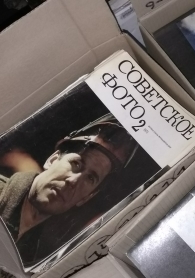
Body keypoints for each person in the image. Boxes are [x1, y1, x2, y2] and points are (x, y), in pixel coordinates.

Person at [0, 114, 137, 268]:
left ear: (87, 197)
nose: (73, 181)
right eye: (76, 163)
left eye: (90, 178)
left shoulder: (44, 260)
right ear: (52, 160)